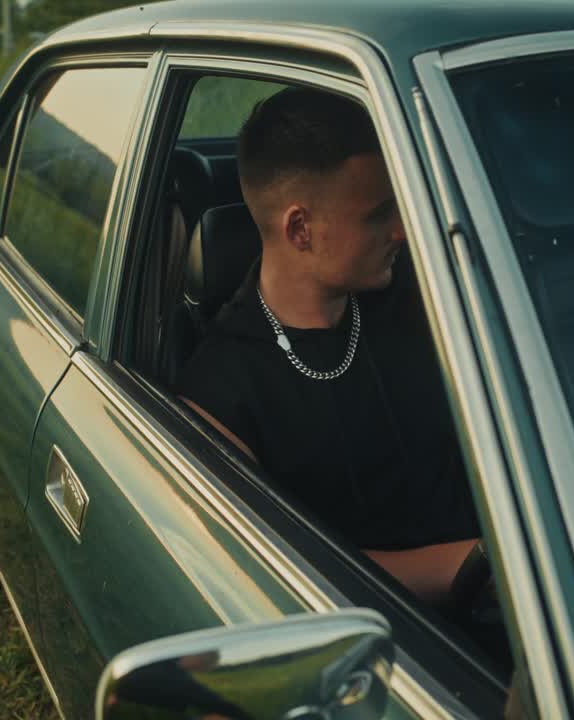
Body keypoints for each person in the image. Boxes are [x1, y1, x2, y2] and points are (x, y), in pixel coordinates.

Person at [176, 88, 480, 604]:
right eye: (379, 214)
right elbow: (288, 574)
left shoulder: (428, 295)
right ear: (300, 229)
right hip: (403, 641)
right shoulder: (222, 390)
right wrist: (478, 566)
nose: (405, 231)